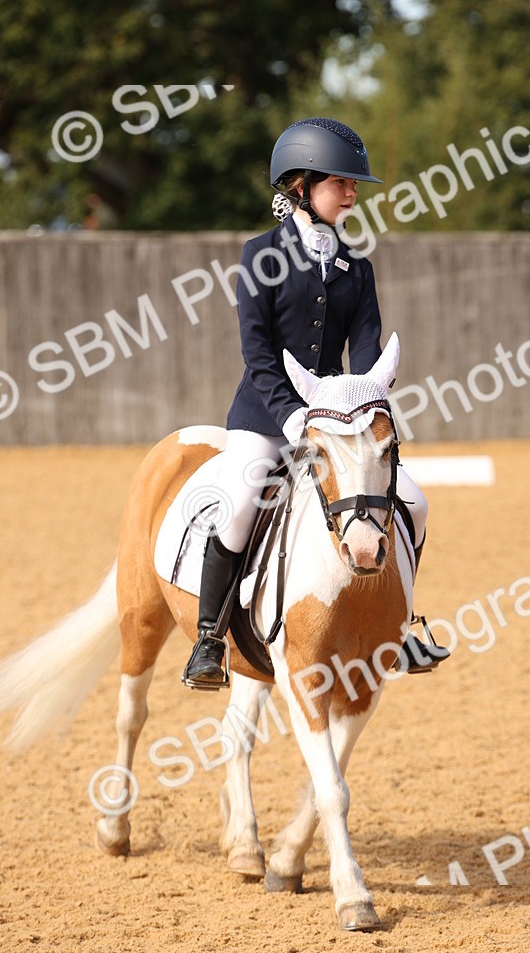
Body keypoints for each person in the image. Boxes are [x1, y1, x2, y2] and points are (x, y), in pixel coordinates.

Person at [182, 117, 450, 688]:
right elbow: (257, 354)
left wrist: (365, 403)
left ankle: (397, 626)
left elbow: (368, 351)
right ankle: (209, 639)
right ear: (300, 185)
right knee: (238, 500)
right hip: (265, 415)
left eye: (354, 185)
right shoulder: (260, 256)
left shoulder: (358, 268)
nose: (353, 194)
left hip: (337, 423)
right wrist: (294, 415)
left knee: (415, 503)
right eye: (342, 182)